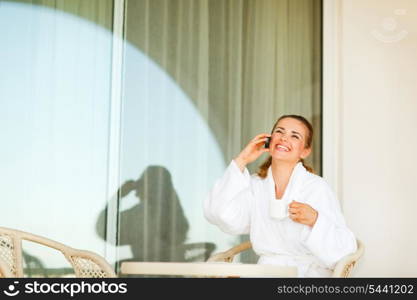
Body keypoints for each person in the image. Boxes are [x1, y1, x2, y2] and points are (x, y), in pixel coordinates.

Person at [204, 115, 357, 277]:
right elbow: (218, 214)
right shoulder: (256, 186)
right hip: (267, 273)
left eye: (294, 136)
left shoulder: (316, 188)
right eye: (279, 131)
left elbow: (343, 250)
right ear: (270, 140)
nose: (284, 138)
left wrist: (315, 220)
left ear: (305, 151)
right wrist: (242, 160)